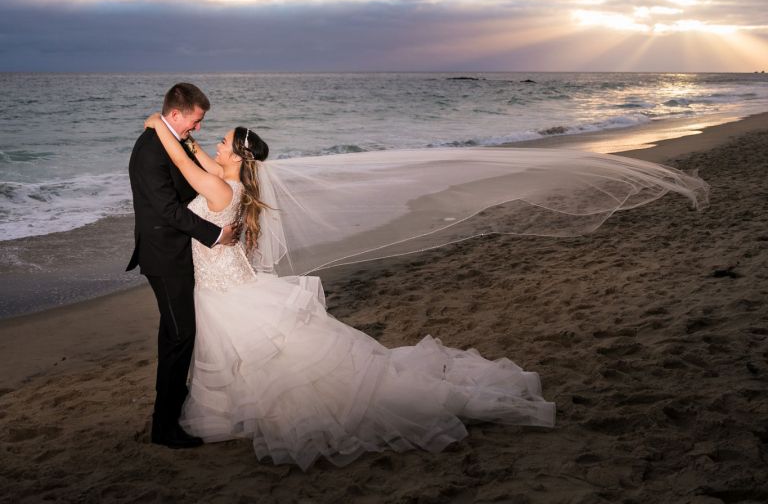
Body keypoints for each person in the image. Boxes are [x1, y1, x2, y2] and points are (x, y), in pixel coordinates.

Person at [142, 113, 708, 469]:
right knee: (260, 359)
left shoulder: (220, 183)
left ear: (237, 155)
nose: (209, 143)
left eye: (219, 139)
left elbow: (181, 158)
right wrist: (181, 132)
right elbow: (191, 158)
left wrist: (158, 126)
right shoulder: (233, 182)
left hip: (226, 293)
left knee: (270, 361)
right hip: (225, 287)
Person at [128, 84, 236, 449]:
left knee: (173, 334)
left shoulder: (168, 142)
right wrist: (217, 235)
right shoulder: (150, 150)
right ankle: (165, 426)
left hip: (177, 253)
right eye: (196, 120)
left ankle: (169, 409)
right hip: (163, 256)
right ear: (176, 114)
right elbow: (167, 210)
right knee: (180, 335)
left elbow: (189, 189)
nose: (198, 128)